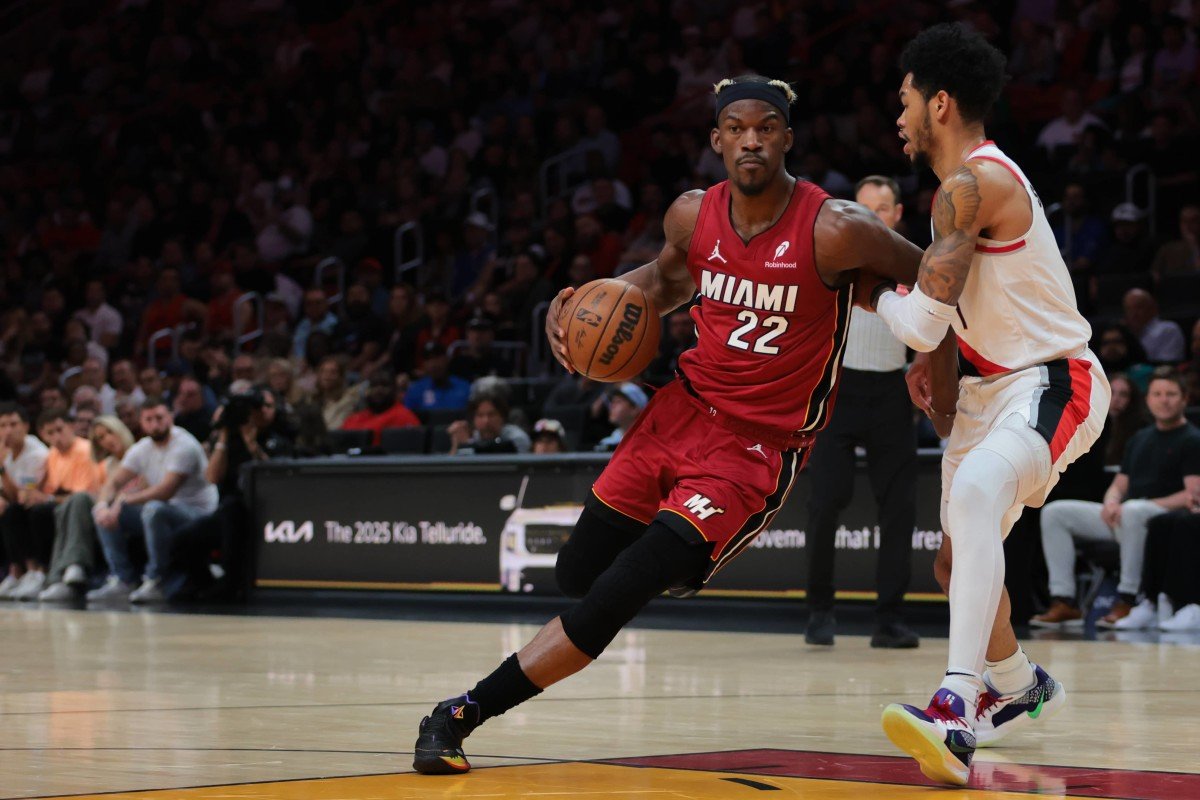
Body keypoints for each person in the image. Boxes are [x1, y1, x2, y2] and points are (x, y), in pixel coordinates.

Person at [412, 74, 924, 776]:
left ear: (787, 137)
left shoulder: (836, 227)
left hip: (755, 447)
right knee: (579, 573)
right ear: (716, 140)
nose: (751, 138)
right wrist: (587, 311)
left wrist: (937, 365)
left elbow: (936, 281)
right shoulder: (692, 215)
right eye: (737, 127)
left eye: (767, 126)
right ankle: (681, 558)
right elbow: (664, 281)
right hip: (678, 410)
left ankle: (459, 714)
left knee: (620, 592)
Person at [857, 25, 1111, 785]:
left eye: (903, 100)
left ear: (938, 103)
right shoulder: (954, 194)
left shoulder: (973, 184)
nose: (896, 116)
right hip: (986, 384)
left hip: (1050, 377)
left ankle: (955, 707)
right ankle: (1020, 686)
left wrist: (869, 290)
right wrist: (941, 353)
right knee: (951, 560)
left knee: (971, 496)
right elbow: (947, 322)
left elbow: (922, 321)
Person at [805, 175, 920, 650]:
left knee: (899, 507)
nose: (874, 213)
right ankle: (819, 612)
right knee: (825, 499)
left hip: (893, 388)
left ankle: (889, 618)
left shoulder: (914, 263)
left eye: (884, 206)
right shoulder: (835, 259)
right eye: (865, 206)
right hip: (839, 386)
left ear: (896, 215)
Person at [1034, 370, 1200, 629]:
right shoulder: (1139, 439)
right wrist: (1111, 502)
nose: (1163, 400)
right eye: (1157, 394)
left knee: (1133, 511)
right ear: (1148, 399)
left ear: (1184, 399)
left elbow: (1192, 494)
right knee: (1056, 512)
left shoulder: (1192, 439)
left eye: (1171, 394)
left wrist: (1142, 506)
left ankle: (1128, 598)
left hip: (1161, 519)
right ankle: (1064, 600)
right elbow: (1118, 485)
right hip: (1126, 516)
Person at [87, 398, 219, 604]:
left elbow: (165, 491)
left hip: (198, 514)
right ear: (141, 422)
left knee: (153, 509)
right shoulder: (142, 448)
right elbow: (113, 483)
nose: (155, 424)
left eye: (159, 418)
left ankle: (156, 580)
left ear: (170, 417)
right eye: (149, 419)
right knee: (102, 512)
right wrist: (103, 506)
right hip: (166, 510)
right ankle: (122, 579)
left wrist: (122, 502)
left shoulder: (184, 445)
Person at [6, 409, 108, 600]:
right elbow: (45, 489)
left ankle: (55, 572)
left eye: (60, 430)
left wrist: (47, 499)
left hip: (88, 505)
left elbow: (84, 496)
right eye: (50, 433)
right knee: (17, 511)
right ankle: (32, 572)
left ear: (71, 427)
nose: (57, 437)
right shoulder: (52, 454)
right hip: (63, 503)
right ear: (43, 435)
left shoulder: (85, 450)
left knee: (44, 512)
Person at [37, 416, 135, 602]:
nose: (107, 439)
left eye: (109, 433)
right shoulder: (108, 464)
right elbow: (102, 493)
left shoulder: (138, 453)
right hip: (109, 508)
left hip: (131, 508)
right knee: (64, 510)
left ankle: (74, 567)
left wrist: (107, 503)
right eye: (100, 438)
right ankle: (60, 578)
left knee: (79, 499)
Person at [0, 404, 49, 599]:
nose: (8, 431)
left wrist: (2, 469)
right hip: (20, 504)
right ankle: (14, 571)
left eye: (13, 424)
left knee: (15, 511)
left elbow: (24, 496)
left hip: (42, 504)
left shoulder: (37, 453)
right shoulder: (5, 451)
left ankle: (35, 571)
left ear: (26, 426)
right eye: (3, 425)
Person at [341, 370, 420, 447]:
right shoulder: (355, 418)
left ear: (394, 390)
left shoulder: (405, 417)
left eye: (384, 385)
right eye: (374, 385)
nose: (379, 390)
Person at [447, 393, 531, 455]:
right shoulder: (472, 438)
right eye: (480, 415)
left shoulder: (517, 438)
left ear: (502, 417)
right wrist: (458, 445)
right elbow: (451, 470)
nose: (486, 421)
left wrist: (468, 446)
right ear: (473, 420)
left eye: (491, 415)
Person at [1121, 288, 1185, 363]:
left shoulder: (1168, 329)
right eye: (1129, 309)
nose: (1133, 314)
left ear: (1153, 308)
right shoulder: (1123, 332)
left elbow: (1168, 364)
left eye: (1138, 307)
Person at [405, 342, 471, 414]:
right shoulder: (415, 390)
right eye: (429, 359)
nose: (433, 364)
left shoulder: (464, 387)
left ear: (446, 359)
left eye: (437, 357)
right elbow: (408, 421)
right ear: (424, 364)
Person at [595, 383, 647, 451]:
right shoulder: (606, 443)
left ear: (635, 409)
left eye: (618, 402)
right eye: (612, 402)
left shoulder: (647, 443)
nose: (612, 406)